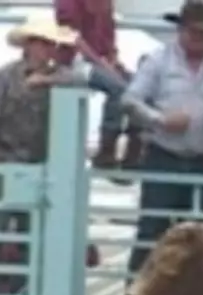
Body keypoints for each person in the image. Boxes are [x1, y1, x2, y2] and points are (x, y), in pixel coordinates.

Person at [122, 0, 203, 295]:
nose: (199, 38)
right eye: (194, 31)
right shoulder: (158, 61)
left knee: (197, 239)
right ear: (180, 30)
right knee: (152, 231)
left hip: (200, 161)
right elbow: (131, 100)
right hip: (164, 155)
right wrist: (160, 119)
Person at [0, 13, 78, 295]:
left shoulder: (63, 77)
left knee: (34, 244)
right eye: (42, 44)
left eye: (51, 44)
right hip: (5, 165)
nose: (48, 50)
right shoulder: (5, 77)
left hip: (42, 171)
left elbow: (83, 80)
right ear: (29, 46)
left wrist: (47, 80)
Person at [54, 0, 142, 178]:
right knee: (117, 88)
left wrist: (112, 59)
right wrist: (102, 63)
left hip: (99, 60)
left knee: (140, 87)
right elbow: (72, 37)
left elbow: (108, 38)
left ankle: (134, 152)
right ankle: (106, 151)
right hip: (75, 61)